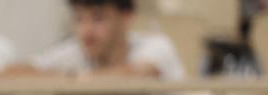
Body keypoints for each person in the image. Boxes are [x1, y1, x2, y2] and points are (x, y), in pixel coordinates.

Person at [30, 0, 186, 80]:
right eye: (79, 19)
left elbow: (138, 74)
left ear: (126, 17)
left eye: (98, 19)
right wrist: (68, 77)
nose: (87, 30)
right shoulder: (76, 51)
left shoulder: (156, 45)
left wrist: (73, 79)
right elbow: (16, 73)